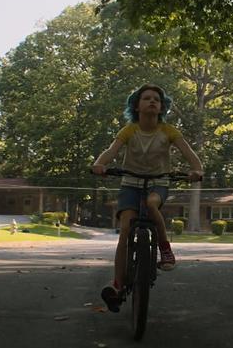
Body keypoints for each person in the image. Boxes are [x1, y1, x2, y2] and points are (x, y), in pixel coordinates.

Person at [91, 85, 203, 312]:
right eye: (146, 98)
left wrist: (196, 171)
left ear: (162, 107)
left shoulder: (169, 131)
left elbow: (193, 158)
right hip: (130, 184)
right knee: (125, 230)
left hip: (158, 182)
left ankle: (165, 248)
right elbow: (112, 150)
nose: (152, 102)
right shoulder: (129, 130)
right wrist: (99, 165)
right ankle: (117, 285)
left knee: (152, 204)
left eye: (156, 99)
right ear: (136, 105)